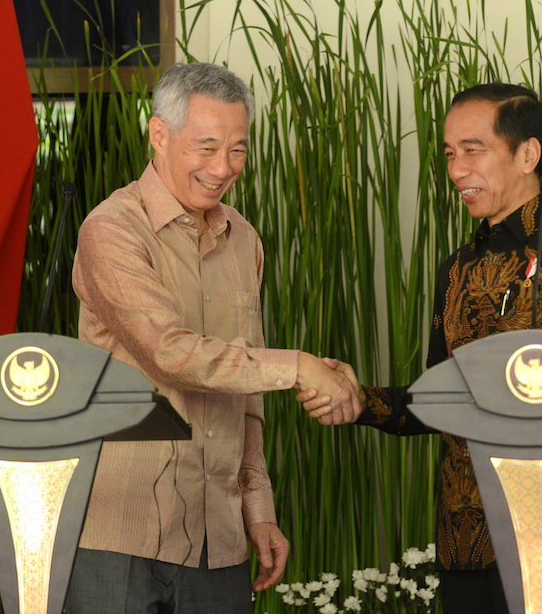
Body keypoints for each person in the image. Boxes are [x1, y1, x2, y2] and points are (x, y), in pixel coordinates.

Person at [301, 83, 542, 614]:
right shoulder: (455, 270)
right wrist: (360, 399)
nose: (457, 170)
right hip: (463, 541)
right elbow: (443, 400)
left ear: (528, 153)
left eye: (472, 150)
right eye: (450, 154)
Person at [66, 62, 361, 613]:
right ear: (159, 134)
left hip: (217, 537)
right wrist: (298, 365)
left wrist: (259, 509)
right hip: (119, 530)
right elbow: (170, 353)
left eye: (238, 150)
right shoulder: (110, 230)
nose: (222, 167)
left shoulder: (243, 238)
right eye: (206, 148)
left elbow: (243, 392)